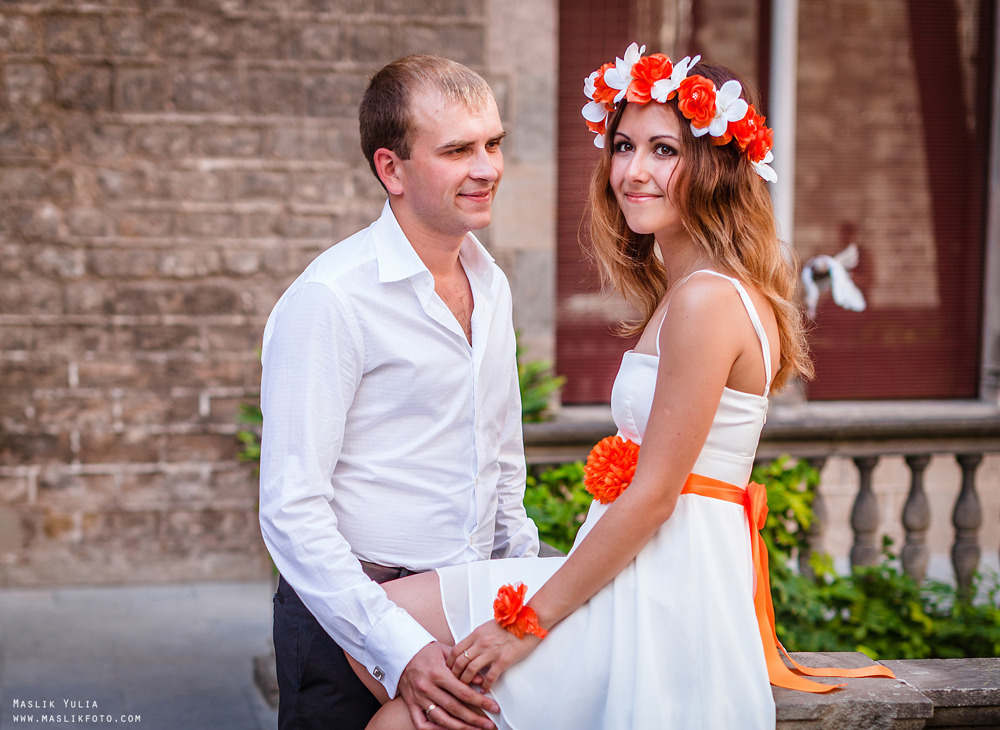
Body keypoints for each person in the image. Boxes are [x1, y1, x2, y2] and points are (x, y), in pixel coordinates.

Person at [351, 44, 895, 729]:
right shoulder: (691, 290)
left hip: (663, 585)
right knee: (380, 632)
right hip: (638, 559)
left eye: (664, 150)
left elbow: (654, 498)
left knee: (401, 703)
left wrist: (523, 629)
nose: (634, 172)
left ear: (717, 164)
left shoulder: (707, 301)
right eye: (623, 146)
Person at [258, 54, 540, 730]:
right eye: (458, 150)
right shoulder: (331, 299)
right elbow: (291, 508)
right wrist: (398, 644)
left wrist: (518, 591)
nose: (487, 168)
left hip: (466, 610)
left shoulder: (491, 284)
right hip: (350, 620)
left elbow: (500, 461)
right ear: (392, 169)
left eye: (493, 143)